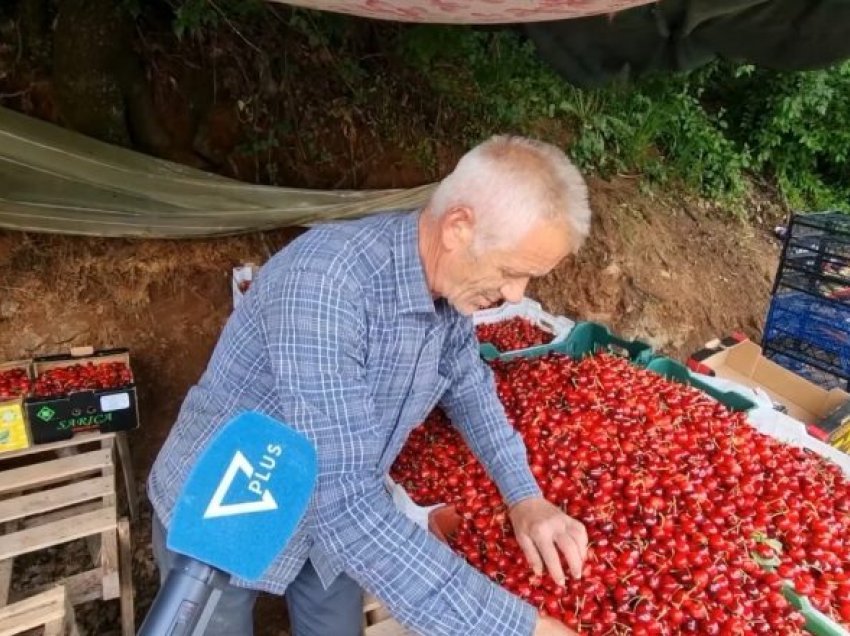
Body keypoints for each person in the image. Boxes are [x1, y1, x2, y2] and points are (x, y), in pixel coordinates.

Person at [148, 134, 593, 636]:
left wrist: (525, 497)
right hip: (232, 504)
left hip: (331, 517)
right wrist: (518, 628)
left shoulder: (445, 290)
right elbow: (343, 501)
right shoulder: (327, 286)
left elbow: (468, 383)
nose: (516, 295)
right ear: (458, 228)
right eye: (512, 272)